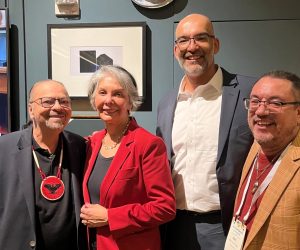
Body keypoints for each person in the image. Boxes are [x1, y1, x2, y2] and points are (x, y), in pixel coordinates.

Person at [156, 13, 256, 249]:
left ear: (215, 44)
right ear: (175, 49)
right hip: (174, 225)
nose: (192, 47)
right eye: (183, 40)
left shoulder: (249, 91)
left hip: (226, 226)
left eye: (201, 38)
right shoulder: (167, 102)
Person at [80, 65, 176, 250]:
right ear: (94, 99)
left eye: (118, 94)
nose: (108, 100)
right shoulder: (91, 143)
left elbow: (165, 207)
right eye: (102, 92)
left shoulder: (148, 145)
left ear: (130, 102)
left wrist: (110, 216)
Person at [0, 80, 87, 250]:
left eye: (64, 102)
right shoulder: (4, 149)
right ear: (31, 109)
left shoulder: (80, 147)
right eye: (47, 101)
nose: (58, 107)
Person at [225, 70, 300, 250]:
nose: (260, 111)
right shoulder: (257, 145)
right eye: (255, 101)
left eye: (276, 103)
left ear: (298, 113)